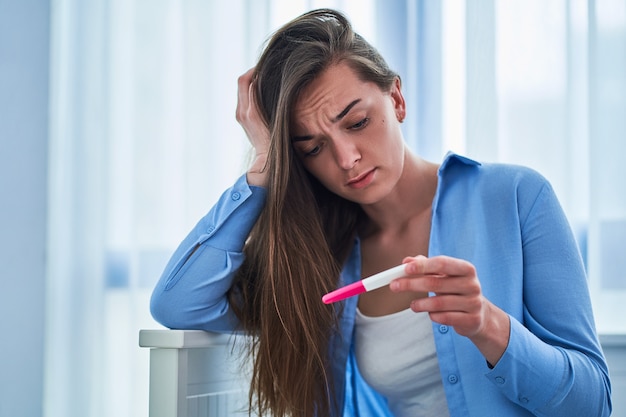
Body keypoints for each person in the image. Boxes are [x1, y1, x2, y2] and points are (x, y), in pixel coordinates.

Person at [150, 8, 612, 417]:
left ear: (396, 99)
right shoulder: (318, 262)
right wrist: (264, 169)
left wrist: (487, 324)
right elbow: (178, 302)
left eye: (357, 122)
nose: (347, 158)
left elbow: (593, 403)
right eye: (312, 148)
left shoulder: (515, 196)